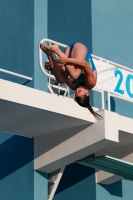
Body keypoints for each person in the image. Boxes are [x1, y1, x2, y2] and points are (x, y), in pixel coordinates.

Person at [40, 42, 102, 120]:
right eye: (79, 91)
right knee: (75, 75)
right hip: (80, 49)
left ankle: (49, 53)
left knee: (61, 79)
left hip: (68, 53)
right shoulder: (91, 83)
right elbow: (85, 64)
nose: (76, 90)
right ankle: (57, 50)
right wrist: (66, 60)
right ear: (87, 94)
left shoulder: (74, 86)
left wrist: (52, 68)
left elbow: (62, 74)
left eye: (76, 92)